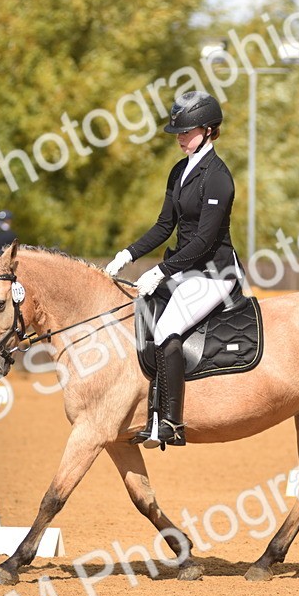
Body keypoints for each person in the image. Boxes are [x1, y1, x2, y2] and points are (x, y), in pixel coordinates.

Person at [104, 90, 242, 450]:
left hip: (214, 273)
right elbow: (165, 226)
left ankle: (171, 423)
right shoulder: (180, 170)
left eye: (187, 131)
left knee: (166, 329)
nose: (180, 138)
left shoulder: (218, 178)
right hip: (184, 269)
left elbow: (205, 241)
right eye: (178, 132)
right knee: (140, 315)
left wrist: (162, 270)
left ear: (209, 130)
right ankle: (147, 413)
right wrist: (128, 254)